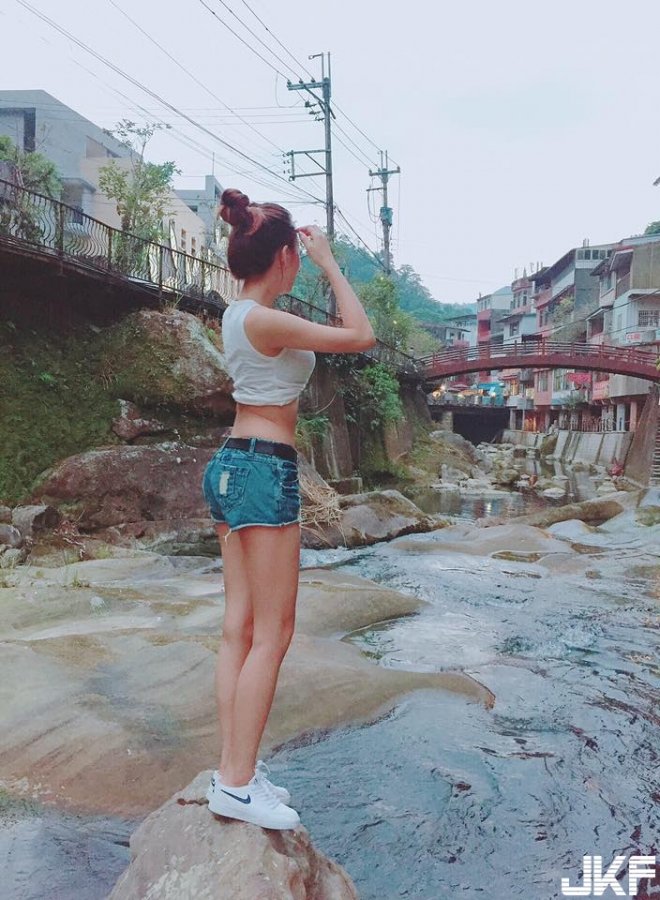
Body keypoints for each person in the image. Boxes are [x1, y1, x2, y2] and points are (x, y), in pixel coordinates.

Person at [202, 188, 376, 830]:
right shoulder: (265, 321)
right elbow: (361, 335)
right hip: (262, 468)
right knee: (273, 632)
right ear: (283, 256)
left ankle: (234, 770)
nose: (300, 262)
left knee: (239, 627)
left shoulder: (239, 314)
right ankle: (236, 781)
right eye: (297, 255)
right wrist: (330, 263)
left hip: (230, 466)